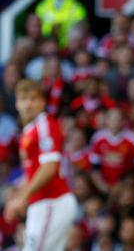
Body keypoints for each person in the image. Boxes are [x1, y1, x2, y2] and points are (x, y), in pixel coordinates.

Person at [3, 79, 79, 251]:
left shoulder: (45, 125)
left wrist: (22, 198)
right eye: (23, 99)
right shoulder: (29, 130)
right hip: (41, 205)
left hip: (53, 202)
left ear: (42, 102)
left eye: (32, 99)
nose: (27, 105)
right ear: (16, 103)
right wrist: (17, 197)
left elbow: (49, 167)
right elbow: (32, 173)